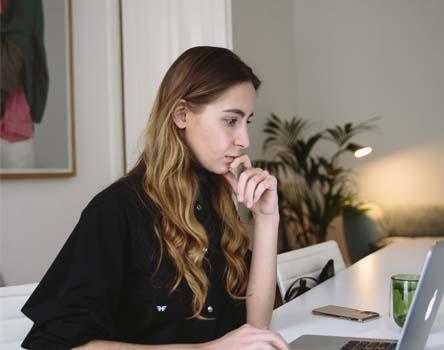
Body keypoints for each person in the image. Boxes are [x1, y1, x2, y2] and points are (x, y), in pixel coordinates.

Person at [21, 46, 288, 350]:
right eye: (230, 120)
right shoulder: (116, 210)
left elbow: (256, 328)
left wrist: (267, 219)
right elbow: (59, 344)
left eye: (247, 121)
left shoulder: (216, 199)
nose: (244, 140)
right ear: (182, 114)